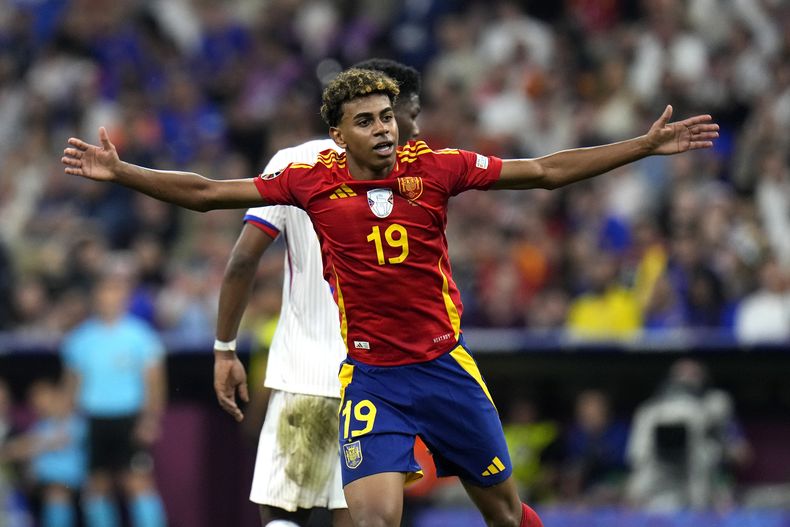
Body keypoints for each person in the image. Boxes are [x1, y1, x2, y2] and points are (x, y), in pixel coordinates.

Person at [62, 67, 718, 527]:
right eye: (366, 121)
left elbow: (544, 172)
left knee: (503, 514)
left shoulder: (436, 167)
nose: (384, 129)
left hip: (445, 368)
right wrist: (122, 173)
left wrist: (643, 147)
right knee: (372, 520)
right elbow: (207, 193)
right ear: (338, 135)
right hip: (374, 380)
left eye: (386, 116)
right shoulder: (309, 182)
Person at [213, 59, 421, 527]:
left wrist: (225, 348)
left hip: (304, 377)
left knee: (283, 518)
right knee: (360, 518)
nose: (414, 127)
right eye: (412, 114)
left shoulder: (293, 163)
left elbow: (243, 259)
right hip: (377, 385)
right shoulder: (418, 179)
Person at [61, 269, 167, 527]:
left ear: (126, 296)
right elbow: (71, 386)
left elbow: (154, 383)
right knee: (97, 486)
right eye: (104, 290)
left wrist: (150, 419)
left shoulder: (141, 336)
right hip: (94, 419)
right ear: (94, 296)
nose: (109, 296)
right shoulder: (79, 339)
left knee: (137, 483)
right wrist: (67, 423)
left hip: (129, 417)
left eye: (116, 290)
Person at [626, 359, 752, 511]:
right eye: (681, 375)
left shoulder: (715, 407)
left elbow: (742, 455)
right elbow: (636, 456)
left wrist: (717, 443)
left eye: (693, 375)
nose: (686, 381)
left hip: (703, 485)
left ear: (704, 379)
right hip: (659, 485)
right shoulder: (649, 412)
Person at [0, 379, 87, 527]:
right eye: (36, 403)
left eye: (43, 400)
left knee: (56, 495)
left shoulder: (73, 422)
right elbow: (23, 445)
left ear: (58, 397)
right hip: (39, 482)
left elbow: (56, 441)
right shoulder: (41, 424)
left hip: (69, 481)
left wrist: (18, 448)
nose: (39, 406)